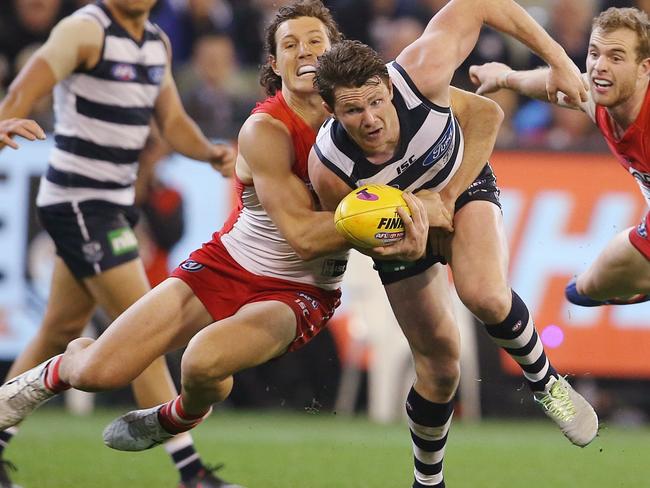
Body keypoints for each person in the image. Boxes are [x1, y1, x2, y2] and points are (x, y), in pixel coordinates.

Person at [0, 1, 506, 484]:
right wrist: (401, 208)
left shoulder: (376, 104)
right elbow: (305, 236)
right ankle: (42, 380)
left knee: (201, 362)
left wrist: (437, 206)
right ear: (274, 62)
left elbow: (475, 113)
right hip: (227, 263)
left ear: (337, 55)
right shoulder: (265, 129)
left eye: (316, 41)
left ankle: (179, 416)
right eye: (291, 44)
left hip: (299, 292)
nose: (305, 51)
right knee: (97, 371)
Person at [309, 1, 600, 486]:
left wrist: (561, 63)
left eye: (376, 101)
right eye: (353, 110)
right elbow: (355, 240)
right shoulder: (331, 169)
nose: (371, 119)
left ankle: (547, 382)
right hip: (402, 232)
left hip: (461, 185)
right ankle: (429, 480)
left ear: (388, 84)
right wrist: (397, 246)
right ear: (331, 111)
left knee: (484, 292)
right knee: (441, 366)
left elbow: (484, 107)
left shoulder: (423, 70)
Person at [0, 1, 240, 487]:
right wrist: (5, 117)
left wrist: (210, 151)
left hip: (108, 206)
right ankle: (190, 471)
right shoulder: (85, 30)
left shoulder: (156, 41)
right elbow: (30, 82)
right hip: (79, 202)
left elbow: (172, 123)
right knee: (140, 330)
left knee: (56, 331)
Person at [469, 6, 650, 308]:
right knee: (582, 291)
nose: (599, 67)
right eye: (594, 54)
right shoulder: (598, 95)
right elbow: (557, 87)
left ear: (644, 68)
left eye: (615, 57)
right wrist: (505, 77)